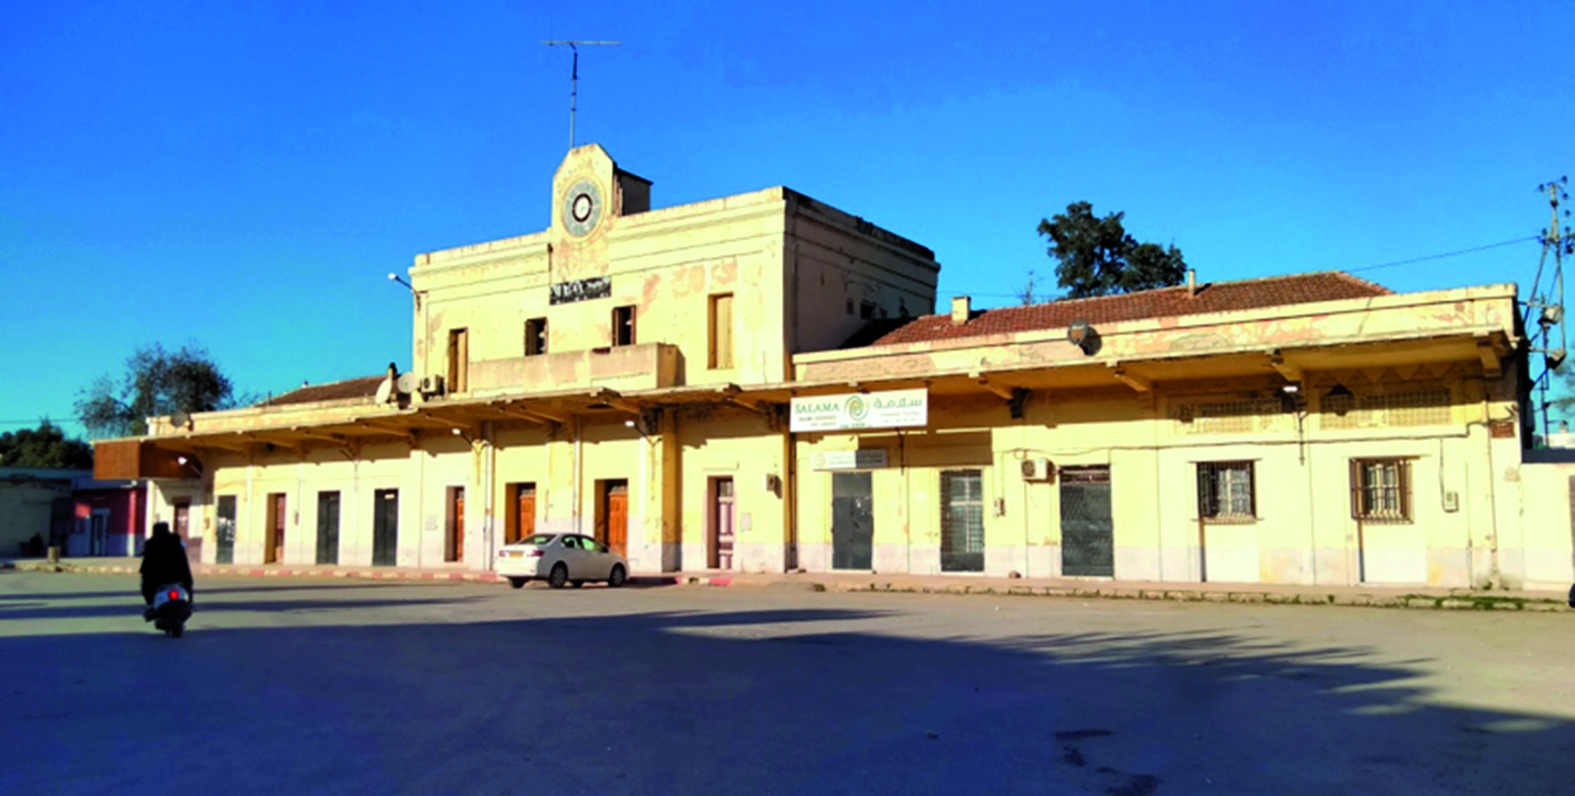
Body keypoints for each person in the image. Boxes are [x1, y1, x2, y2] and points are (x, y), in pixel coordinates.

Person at [140, 521, 194, 608]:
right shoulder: (176, 543)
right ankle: (190, 603)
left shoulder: (152, 544)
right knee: (188, 584)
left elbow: (146, 566)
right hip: (178, 577)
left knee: (146, 585)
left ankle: (150, 605)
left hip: (158, 579)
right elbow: (184, 564)